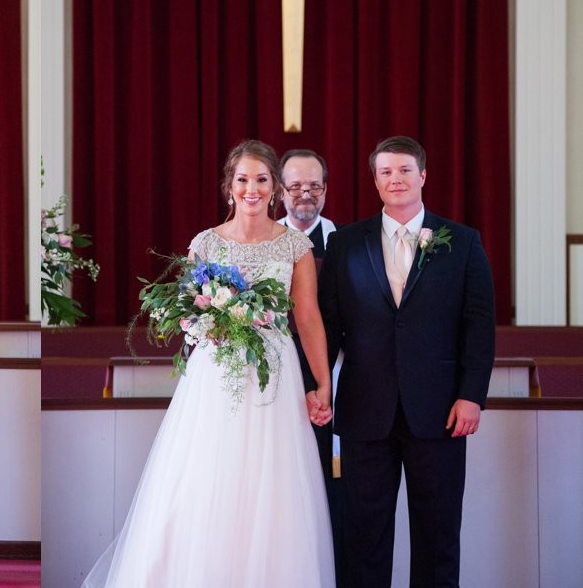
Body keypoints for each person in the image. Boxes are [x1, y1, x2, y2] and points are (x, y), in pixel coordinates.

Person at [82, 140, 336, 587]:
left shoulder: (295, 246)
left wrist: (322, 381)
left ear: (275, 188)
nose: (252, 189)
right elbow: (188, 313)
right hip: (217, 374)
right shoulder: (206, 243)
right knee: (206, 474)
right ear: (229, 186)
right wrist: (206, 324)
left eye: (262, 179)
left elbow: (308, 317)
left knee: (272, 482)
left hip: (274, 375)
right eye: (243, 179)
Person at [318, 136, 495, 588]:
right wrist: (318, 385)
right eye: (386, 172)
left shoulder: (463, 242)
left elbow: (478, 326)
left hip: (440, 412)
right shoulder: (345, 243)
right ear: (375, 181)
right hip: (364, 411)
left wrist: (471, 396)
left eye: (404, 170)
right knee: (363, 538)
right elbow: (329, 325)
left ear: (423, 176)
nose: (395, 179)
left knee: (438, 537)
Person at [279, 148, 345, 585]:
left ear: (325, 189)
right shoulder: (263, 240)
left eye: (314, 185)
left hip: (331, 380)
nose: (306, 194)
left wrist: (327, 380)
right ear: (281, 191)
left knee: (324, 484)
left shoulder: (345, 242)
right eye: (296, 186)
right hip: (275, 380)